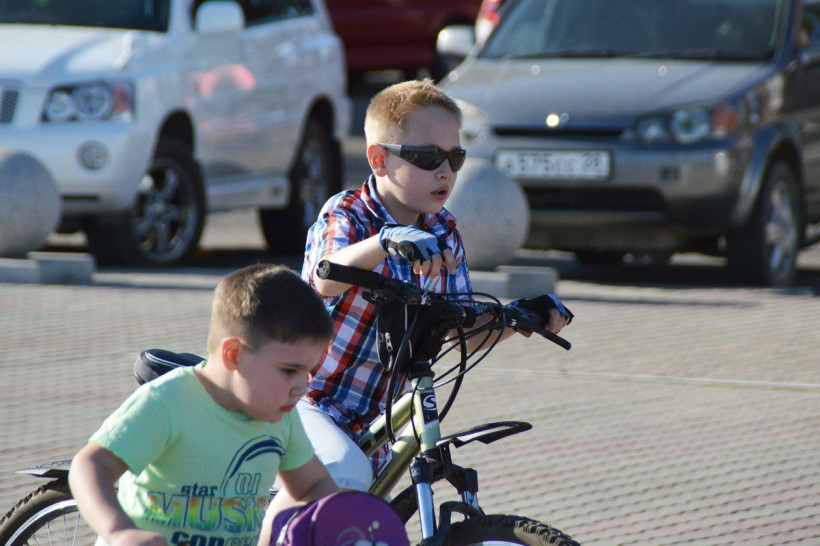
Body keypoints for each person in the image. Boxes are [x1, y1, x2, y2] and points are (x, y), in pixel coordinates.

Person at [297, 78, 574, 491]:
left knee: (376, 511)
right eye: (427, 157)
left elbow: (462, 331)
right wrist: (385, 240)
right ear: (379, 160)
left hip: (380, 421)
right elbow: (326, 276)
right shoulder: (348, 213)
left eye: (455, 157)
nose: (444, 171)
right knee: (345, 473)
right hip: (306, 402)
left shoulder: (444, 231)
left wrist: (519, 316)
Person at [69, 264, 339, 546]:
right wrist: (119, 531)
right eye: (288, 370)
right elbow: (91, 464)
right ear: (233, 355)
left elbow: (312, 484)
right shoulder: (169, 401)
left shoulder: (281, 415)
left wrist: (349, 526)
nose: (301, 387)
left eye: (307, 371)